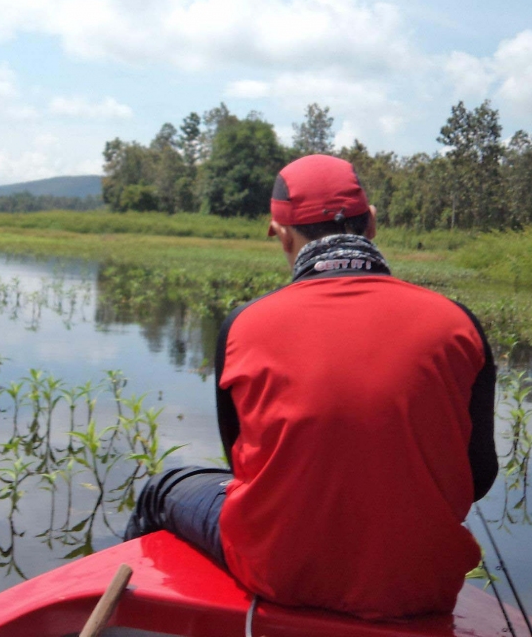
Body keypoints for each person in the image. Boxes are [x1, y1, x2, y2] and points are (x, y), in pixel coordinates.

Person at [124, 154, 498, 620]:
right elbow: (479, 477)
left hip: (279, 574)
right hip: (421, 584)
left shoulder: (244, 326)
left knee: (164, 488)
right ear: (373, 224)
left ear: (282, 233)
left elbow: (243, 463)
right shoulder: (458, 323)